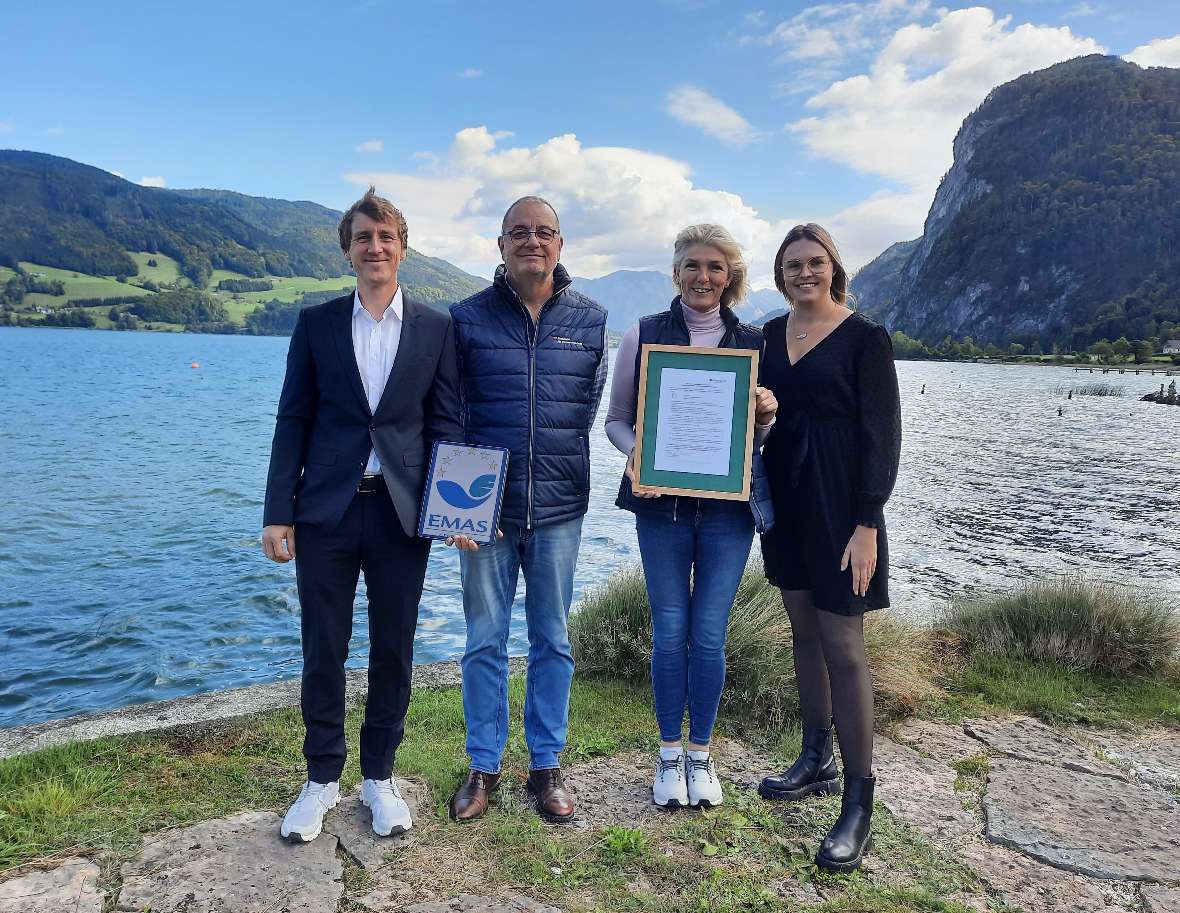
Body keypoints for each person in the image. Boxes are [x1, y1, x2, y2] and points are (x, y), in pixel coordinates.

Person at [261, 187, 462, 843]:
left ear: (402, 247)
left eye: (386, 237)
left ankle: (380, 777)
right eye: (363, 238)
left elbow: (446, 425)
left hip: (404, 515)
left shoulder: (436, 327)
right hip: (325, 511)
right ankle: (320, 779)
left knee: (394, 650)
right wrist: (277, 511)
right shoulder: (317, 322)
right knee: (324, 647)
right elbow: (294, 417)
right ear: (348, 250)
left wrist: (456, 506)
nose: (375, 248)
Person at [446, 197, 608, 824]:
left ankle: (546, 766)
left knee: (553, 640)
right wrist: (456, 513)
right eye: (520, 232)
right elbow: (452, 415)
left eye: (544, 232)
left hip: (560, 507)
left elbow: (584, 414)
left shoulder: (590, 320)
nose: (531, 241)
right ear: (501, 243)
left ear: (560, 244)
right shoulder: (467, 319)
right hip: (484, 512)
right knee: (484, 640)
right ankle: (482, 765)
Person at [605, 224, 777, 809]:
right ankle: (668, 753)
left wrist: (765, 416)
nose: (703, 277)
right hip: (661, 509)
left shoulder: (757, 343)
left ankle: (701, 756)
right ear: (675, 271)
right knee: (670, 630)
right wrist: (640, 456)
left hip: (729, 513)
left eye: (716, 267)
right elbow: (617, 419)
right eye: (693, 265)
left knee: (709, 635)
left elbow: (756, 439)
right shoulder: (644, 334)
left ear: (731, 278)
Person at [755, 224, 901, 874]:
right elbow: (758, 416)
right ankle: (815, 757)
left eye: (815, 262)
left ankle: (859, 800)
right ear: (780, 273)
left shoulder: (867, 338)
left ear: (833, 267)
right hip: (786, 503)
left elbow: (882, 436)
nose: (804, 273)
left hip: (844, 509)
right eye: (793, 265)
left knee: (845, 646)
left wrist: (868, 521)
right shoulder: (766, 335)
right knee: (803, 631)